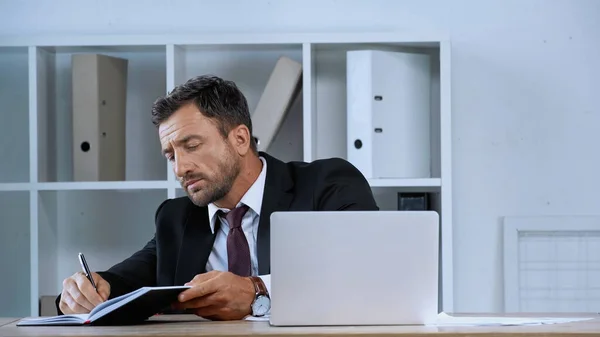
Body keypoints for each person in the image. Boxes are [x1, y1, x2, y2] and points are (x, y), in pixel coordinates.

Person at [56, 74, 379, 321]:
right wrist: (86, 291)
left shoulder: (326, 185)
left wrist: (257, 291)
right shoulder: (176, 218)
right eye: (170, 155)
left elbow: (368, 271)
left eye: (191, 146)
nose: (180, 168)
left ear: (239, 139)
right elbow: (126, 281)